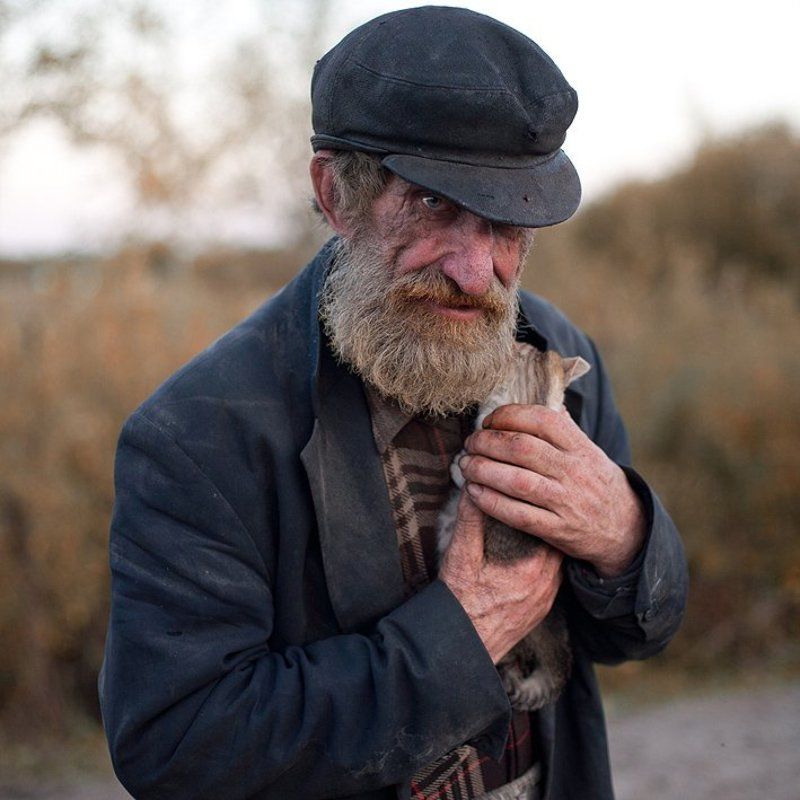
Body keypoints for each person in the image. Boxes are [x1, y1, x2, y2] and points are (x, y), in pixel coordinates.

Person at [99, 7, 688, 800]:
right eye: (434, 207)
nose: (478, 274)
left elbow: (632, 634)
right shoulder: (198, 436)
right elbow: (176, 748)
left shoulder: (552, 359)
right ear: (335, 193)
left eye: (506, 223)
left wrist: (625, 533)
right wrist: (462, 635)